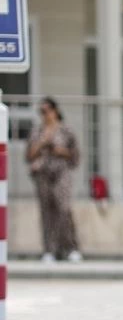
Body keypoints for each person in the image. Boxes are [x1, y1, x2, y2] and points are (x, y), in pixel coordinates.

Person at [26, 97, 82, 263]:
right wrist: (43, 143)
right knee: (46, 212)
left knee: (64, 209)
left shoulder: (66, 131)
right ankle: (50, 250)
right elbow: (29, 155)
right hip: (42, 173)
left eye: (47, 110)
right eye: (41, 112)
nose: (45, 114)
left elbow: (75, 156)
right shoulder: (37, 131)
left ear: (55, 110)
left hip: (61, 172)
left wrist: (59, 150)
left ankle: (71, 247)